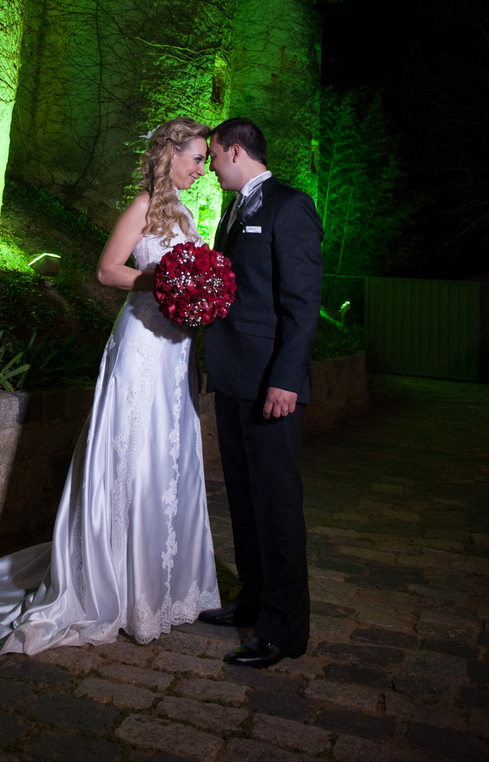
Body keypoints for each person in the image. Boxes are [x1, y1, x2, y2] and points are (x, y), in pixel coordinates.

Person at [0, 117, 220, 655]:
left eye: (206, 159)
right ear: (171, 154)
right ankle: (113, 581)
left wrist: (198, 297)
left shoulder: (185, 212)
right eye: (197, 157)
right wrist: (161, 281)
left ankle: (162, 584)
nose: (202, 167)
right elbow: (106, 271)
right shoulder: (142, 206)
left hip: (176, 349)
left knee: (168, 458)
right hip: (141, 345)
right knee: (131, 452)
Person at [199, 118, 323, 669]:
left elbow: (301, 305)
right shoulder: (235, 208)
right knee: (245, 502)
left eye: (212, 158)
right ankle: (252, 600)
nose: (208, 168)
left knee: (276, 506)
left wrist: (286, 379)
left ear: (234, 150)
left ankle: (284, 628)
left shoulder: (289, 206)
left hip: (271, 384)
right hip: (233, 378)